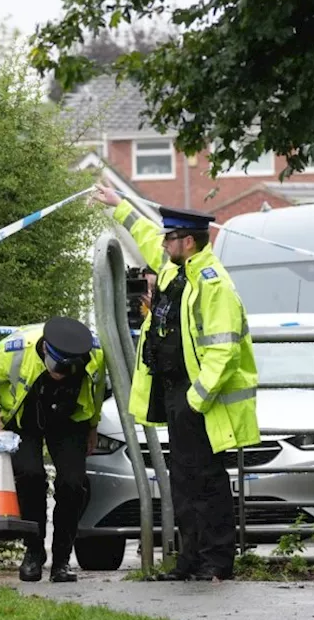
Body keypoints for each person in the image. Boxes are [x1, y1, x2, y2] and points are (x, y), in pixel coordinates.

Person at [92, 186, 260, 582]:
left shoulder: (212, 283)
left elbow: (224, 351)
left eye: (171, 238)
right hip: (176, 393)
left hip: (199, 399)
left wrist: (195, 399)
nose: (164, 242)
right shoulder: (174, 268)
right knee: (183, 481)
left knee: (207, 482)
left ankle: (217, 562)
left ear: (187, 241)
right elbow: (149, 236)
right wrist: (119, 206)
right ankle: (190, 560)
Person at [0, 316, 106, 583]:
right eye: (57, 366)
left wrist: (93, 425)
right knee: (30, 476)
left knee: (72, 483)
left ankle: (62, 561)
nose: (61, 373)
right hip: (25, 419)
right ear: (45, 349)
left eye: (70, 368)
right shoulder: (17, 349)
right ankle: (33, 552)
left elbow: (97, 389)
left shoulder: (95, 354)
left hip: (69, 420)